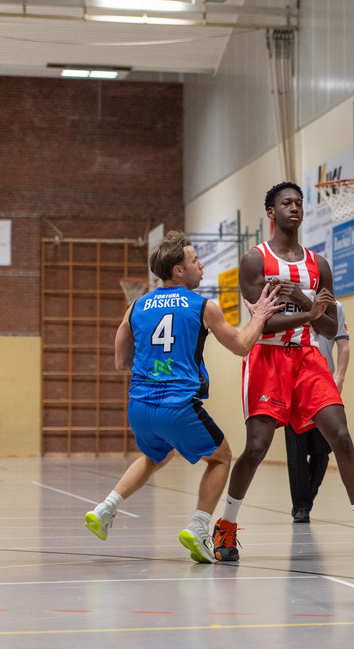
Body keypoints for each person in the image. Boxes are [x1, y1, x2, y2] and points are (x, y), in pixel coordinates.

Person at [212, 182, 354, 564]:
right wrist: (308, 312)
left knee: (340, 435)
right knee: (256, 447)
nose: (295, 207)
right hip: (268, 357)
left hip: (308, 357)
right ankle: (226, 525)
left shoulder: (318, 265)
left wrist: (304, 302)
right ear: (271, 213)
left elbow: (329, 328)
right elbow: (263, 322)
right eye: (286, 203)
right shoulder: (254, 260)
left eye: (299, 202)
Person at [85, 230, 282, 564]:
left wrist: (156, 364)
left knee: (155, 456)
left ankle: (106, 508)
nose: (201, 265)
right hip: (178, 405)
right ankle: (199, 526)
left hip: (139, 406)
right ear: (178, 270)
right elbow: (242, 345)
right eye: (194, 260)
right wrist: (260, 317)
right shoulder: (203, 306)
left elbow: (121, 362)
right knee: (221, 457)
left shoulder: (136, 306)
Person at [283, 300, 349, 523]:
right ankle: (301, 507)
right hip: (293, 382)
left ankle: (305, 500)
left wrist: (339, 376)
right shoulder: (288, 303)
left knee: (322, 450)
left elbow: (344, 345)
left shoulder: (334, 306)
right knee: (296, 450)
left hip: (323, 383)